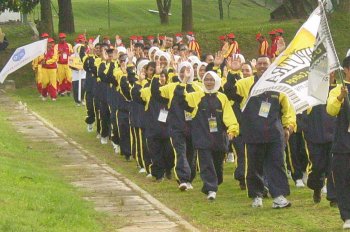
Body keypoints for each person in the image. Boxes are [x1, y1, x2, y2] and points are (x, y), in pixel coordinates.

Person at [224, 56, 296, 208]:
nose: (262, 66)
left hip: (274, 134)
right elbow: (229, 92)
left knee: (277, 164)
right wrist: (232, 71)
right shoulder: (245, 83)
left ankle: (279, 196)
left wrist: (288, 126)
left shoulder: (278, 85)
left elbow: (287, 108)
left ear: (270, 66)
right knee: (254, 167)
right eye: (260, 63)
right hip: (253, 133)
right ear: (255, 65)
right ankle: (257, 196)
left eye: (266, 63)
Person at [175, 70, 239, 200]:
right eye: (206, 79)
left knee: (217, 167)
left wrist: (232, 130)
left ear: (216, 81)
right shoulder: (197, 96)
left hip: (219, 139)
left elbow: (229, 116)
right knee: (206, 164)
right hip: (202, 137)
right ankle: (211, 189)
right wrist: (183, 82)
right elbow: (181, 99)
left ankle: (214, 183)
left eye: (211, 80)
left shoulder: (222, 97)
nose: (209, 82)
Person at [151, 61, 202, 191]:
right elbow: (156, 93)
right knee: (180, 152)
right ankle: (183, 179)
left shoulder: (197, 87)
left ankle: (189, 179)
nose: (184, 73)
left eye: (187, 70)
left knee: (191, 153)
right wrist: (156, 75)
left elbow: (192, 103)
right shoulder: (172, 86)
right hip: (176, 126)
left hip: (193, 127)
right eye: (182, 70)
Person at [326, 56, 350, 230]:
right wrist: (340, 98)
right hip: (343, 145)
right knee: (343, 181)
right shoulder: (338, 90)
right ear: (346, 70)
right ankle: (347, 216)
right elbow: (331, 110)